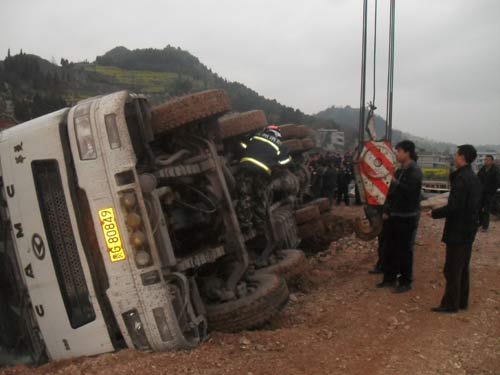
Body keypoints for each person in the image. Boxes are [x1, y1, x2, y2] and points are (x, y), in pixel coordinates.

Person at [430, 145, 482, 313]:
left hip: (458, 230)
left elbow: (454, 206)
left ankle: (450, 304)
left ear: (462, 157)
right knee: (463, 266)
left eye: (456, 154)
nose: (454, 157)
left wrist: (434, 213)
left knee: (452, 268)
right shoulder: (473, 177)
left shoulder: (461, 178)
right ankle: (461, 301)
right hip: (468, 229)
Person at [377, 140, 422, 293]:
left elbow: (410, 194)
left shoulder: (414, 171)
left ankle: (405, 281)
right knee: (389, 248)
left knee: (404, 250)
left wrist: (394, 182)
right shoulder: (400, 170)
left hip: (407, 217)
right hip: (394, 215)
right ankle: (389, 278)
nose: (397, 154)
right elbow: (391, 194)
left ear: (407, 152)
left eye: (399, 151)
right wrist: (386, 210)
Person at [235, 125, 291, 234]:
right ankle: (259, 224)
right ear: (278, 134)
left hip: (245, 168)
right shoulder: (280, 145)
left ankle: (244, 224)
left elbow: (242, 146)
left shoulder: (255, 137)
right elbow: (285, 163)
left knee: (245, 195)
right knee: (260, 198)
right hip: (262, 173)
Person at [477, 154, 500, 232]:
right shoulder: (482, 169)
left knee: (486, 210)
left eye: (488, 160)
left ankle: (485, 227)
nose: (486, 161)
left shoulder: (495, 170)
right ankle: (480, 223)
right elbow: (477, 178)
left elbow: (497, 183)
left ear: (492, 161)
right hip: (481, 192)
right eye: (485, 159)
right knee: (479, 208)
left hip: (490, 194)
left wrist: (491, 191)